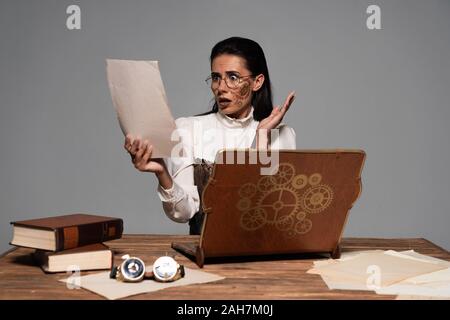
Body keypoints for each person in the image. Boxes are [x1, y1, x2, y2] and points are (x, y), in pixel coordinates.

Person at [124, 37, 296, 234]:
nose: (221, 87)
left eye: (233, 77)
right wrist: (161, 172)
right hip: (204, 256)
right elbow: (184, 212)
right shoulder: (186, 129)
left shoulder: (281, 135)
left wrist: (262, 137)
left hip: (263, 255)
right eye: (216, 77)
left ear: (257, 82)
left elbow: (271, 208)